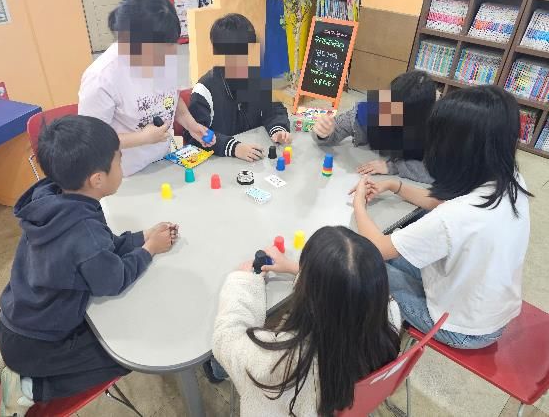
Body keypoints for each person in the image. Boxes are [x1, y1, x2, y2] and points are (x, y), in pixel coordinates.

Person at [0, 116, 179, 416]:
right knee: (128, 357)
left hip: (13, 324)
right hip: (37, 346)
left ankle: (13, 362)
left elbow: (101, 247)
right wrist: (149, 250)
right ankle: (27, 387)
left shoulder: (54, 198)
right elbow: (112, 280)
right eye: (119, 160)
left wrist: (142, 237)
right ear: (97, 179)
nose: (122, 164)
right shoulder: (83, 232)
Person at [350, 86, 532, 349]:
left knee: (361, 265)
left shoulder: (456, 217)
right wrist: (394, 185)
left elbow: (378, 247)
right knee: (394, 255)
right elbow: (441, 201)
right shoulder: (509, 179)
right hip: (485, 307)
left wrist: (359, 203)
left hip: (462, 328)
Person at [212, 226, 401, 416]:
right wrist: (293, 267)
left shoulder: (287, 362)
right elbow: (345, 292)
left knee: (217, 362)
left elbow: (226, 339)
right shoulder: (389, 314)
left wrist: (243, 282)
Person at [78, 0, 215, 176]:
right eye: (158, 51)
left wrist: (191, 125)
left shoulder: (162, 56)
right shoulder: (101, 78)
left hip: (163, 163)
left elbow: (171, 98)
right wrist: (142, 138)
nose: (164, 58)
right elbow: (92, 140)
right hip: (124, 175)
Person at [188, 13, 290, 162]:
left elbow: (274, 109)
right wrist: (233, 147)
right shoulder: (204, 89)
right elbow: (195, 136)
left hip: (256, 161)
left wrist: (278, 129)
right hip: (220, 163)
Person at [314, 70, 436, 183]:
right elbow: (335, 130)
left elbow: (438, 173)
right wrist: (323, 132)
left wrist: (392, 167)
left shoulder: (435, 129)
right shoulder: (369, 110)